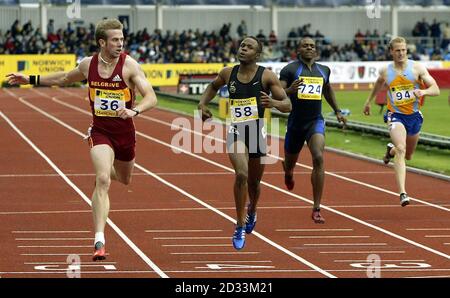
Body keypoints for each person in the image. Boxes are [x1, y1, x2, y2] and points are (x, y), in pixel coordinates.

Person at [6, 18, 158, 260]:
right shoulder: (89, 65)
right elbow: (63, 79)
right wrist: (30, 80)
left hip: (125, 134)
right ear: (102, 42)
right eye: (115, 40)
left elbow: (151, 96)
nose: (121, 44)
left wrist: (135, 110)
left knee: (125, 178)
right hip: (100, 131)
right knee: (102, 178)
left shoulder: (129, 66)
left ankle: (109, 173)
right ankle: (99, 240)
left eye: (122, 39)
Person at [198, 36, 291, 250]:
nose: (243, 49)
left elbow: (287, 105)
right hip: (236, 131)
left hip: (258, 132)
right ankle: (239, 224)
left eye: (249, 47)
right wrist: (202, 104)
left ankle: (253, 210)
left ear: (257, 55)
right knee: (241, 174)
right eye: (242, 45)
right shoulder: (227, 73)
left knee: (254, 184)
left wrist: (274, 102)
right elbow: (212, 87)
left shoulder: (266, 76)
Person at [363, 36, 440, 207]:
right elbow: (378, 83)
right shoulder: (386, 71)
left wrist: (424, 92)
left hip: (413, 116)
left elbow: (436, 89)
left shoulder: (417, 68)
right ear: (391, 51)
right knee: (401, 149)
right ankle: (403, 193)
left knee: (408, 155)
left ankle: (390, 151)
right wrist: (368, 101)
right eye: (397, 50)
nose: (401, 53)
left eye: (404, 50)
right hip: (395, 115)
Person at [279, 37, 347, 224]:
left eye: (312, 46)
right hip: (295, 123)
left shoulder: (324, 70)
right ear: (298, 50)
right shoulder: (290, 70)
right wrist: (290, 91)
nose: (309, 48)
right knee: (291, 163)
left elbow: (328, 90)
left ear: (316, 51)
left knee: (318, 157)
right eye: (305, 45)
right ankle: (288, 172)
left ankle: (316, 208)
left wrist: (338, 111)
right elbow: (277, 94)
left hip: (315, 122)